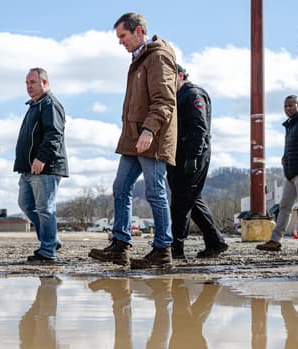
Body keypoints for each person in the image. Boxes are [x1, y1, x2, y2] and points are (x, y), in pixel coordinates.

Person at [88, 12, 178, 269]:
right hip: (132, 137)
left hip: (153, 138)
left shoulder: (158, 57)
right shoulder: (139, 59)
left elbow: (165, 100)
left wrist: (149, 131)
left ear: (138, 31)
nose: (120, 42)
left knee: (155, 192)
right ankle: (120, 245)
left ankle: (162, 249)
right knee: (120, 187)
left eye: (123, 36)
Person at [168, 65, 228, 259]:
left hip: (192, 154)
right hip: (182, 154)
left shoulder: (192, 94)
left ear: (180, 75)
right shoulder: (179, 96)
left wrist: (193, 157)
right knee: (191, 199)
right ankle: (215, 241)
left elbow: (199, 128)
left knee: (181, 203)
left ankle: (176, 248)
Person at [256, 95, 298, 254]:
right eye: (285, 106)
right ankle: (275, 241)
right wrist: (285, 159)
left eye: (291, 105)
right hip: (290, 174)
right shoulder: (290, 125)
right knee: (284, 207)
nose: (288, 108)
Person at [14, 68, 68, 263]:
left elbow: (54, 134)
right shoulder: (34, 105)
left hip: (45, 167)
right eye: (27, 83)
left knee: (45, 208)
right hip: (28, 169)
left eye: (33, 82)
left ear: (44, 83)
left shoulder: (50, 104)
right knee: (26, 204)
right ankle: (52, 240)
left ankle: (48, 251)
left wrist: (42, 158)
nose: (29, 86)